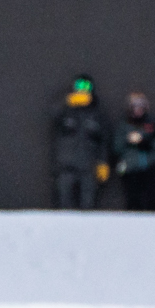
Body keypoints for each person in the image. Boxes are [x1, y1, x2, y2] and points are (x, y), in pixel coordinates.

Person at [51, 75, 110, 210]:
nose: (82, 90)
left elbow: (104, 141)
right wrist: (66, 102)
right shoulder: (66, 112)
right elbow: (53, 117)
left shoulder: (97, 114)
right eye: (79, 86)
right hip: (66, 165)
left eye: (86, 87)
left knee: (88, 205)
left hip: (89, 165)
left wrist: (103, 162)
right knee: (64, 203)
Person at [115, 92, 155, 212]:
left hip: (149, 168)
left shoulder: (153, 125)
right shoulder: (123, 126)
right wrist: (128, 141)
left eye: (140, 107)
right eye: (135, 107)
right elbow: (116, 148)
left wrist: (146, 143)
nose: (138, 110)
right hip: (130, 168)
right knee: (133, 201)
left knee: (152, 200)